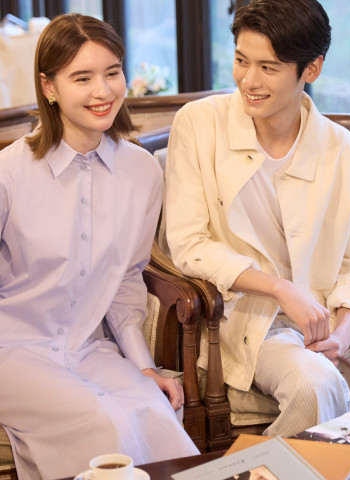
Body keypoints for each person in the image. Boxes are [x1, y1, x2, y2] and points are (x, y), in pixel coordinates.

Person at [164, 0, 350, 438]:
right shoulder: (199, 124)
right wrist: (281, 289)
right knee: (316, 384)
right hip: (256, 319)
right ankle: (269, 467)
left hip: (342, 319)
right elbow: (190, 244)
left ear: (312, 69)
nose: (249, 81)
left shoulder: (347, 153)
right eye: (241, 61)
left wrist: (341, 333)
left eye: (268, 68)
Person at [0, 14, 199, 479]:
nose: (102, 91)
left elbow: (126, 280)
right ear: (49, 87)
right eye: (82, 78)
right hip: (13, 351)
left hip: (90, 346)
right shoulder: (9, 172)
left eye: (112, 72)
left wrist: (144, 367)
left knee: (157, 418)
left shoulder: (142, 172)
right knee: (101, 423)